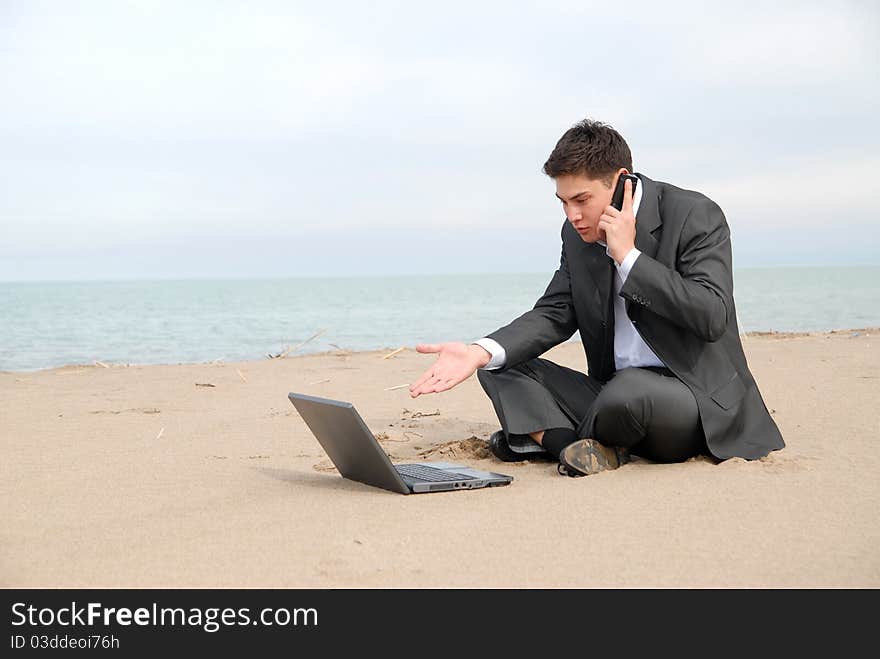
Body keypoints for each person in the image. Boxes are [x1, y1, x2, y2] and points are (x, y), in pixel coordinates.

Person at [409, 119, 784, 477]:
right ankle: (572, 446)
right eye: (562, 202)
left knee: (630, 390)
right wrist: (478, 352)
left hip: (694, 401)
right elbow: (556, 312)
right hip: (610, 398)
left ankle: (540, 435)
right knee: (499, 365)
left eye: (581, 199)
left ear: (621, 182)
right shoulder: (577, 235)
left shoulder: (694, 214)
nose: (572, 215)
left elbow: (711, 314)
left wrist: (629, 259)